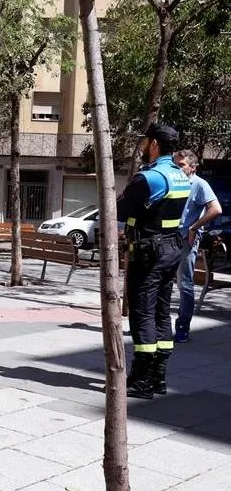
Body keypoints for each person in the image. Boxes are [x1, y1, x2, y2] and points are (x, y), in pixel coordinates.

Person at [117, 123, 191, 398]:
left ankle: (141, 380)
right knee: (161, 311)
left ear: (155, 145)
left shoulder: (151, 177)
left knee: (142, 313)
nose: (142, 145)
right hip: (171, 247)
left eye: (145, 141)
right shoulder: (181, 175)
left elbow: (122, 208)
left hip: (150, 251)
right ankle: (158, 377)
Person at [172, 149, 223, 343]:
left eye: (181, 165)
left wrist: (194, 227)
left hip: (185, 240)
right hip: (167, 239)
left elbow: (216, 209)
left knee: (185, 284)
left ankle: (183, 327)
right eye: (175, 165)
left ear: (193, 167)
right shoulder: (172, 182)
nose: (177, 169)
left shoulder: (200, 185)